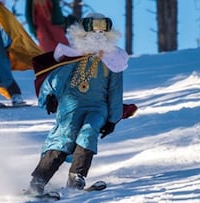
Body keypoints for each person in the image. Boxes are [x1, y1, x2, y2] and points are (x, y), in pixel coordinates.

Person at [27, 12, 134, 195]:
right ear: (83, 33)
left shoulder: (113, 60)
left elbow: (116, 91)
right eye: (94, 32)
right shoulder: (72, 55)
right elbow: (56, 78)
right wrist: (49, 95)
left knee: (89, 132)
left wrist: (112, 119)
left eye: (102, 32)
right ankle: (38, 181)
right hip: (71, 105)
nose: (98, 35)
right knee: (63, 138)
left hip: (97, 107)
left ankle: (76, 176)